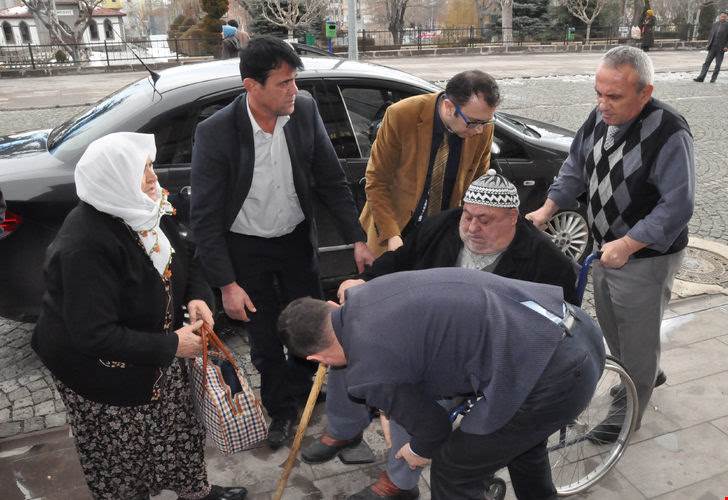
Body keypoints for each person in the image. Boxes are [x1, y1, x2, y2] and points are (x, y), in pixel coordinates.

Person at [31, 132, 247, 500]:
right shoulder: (83, 247)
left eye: (150, 165)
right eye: (141, 170)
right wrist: (172, 345)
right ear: (114, 180)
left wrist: (197, 297)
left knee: (178, 426)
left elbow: (186, 256)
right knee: (121, 453)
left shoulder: (147, 207)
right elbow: (94, 335)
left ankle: (194, 490)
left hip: (157, 347)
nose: (152, 176)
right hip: (101, 373)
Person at [190, 35, 374, 449]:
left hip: (295, 241)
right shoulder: (216, 132)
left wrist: (356, 239)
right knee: (264, 335)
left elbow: (330, 180)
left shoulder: (304, 111)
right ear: (251, 86)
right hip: (246, 249)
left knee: (309, 322)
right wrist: (226, 283)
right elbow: (204, 216)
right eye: (283, 83)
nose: (294, 90)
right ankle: (281, 410)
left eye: (295, 80)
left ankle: (309, 386)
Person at [279, 268, 606, 500]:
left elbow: (434, 430)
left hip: (555, 375)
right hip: (575, 327)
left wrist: (416, 451)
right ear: (331, 306)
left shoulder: (368, 371)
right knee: (521, 444)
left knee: (453, 470)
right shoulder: (365, 293)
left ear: (316, 359)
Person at [526, 45, 694, 441]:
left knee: (634, 334)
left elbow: (678, 205)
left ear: (645, 92)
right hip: (606, 247)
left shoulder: (669, 131)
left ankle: (628, 412)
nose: (603, 104)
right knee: (613, 325)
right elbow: (575, 167)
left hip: (646, 256)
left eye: (614, 96)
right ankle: (641, 372)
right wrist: (547, 209)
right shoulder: (600, 117)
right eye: (598, 93)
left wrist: (629, 244)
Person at [337, 170, 578, 306]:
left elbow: (559, 322)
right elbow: (400, 260)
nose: (472, 228)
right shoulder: (441, 226)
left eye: (484, 220)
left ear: (512, 217)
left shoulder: (546, 261)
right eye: (468, 216)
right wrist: (364, 280)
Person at [359, 70, 499, 258]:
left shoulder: (483, 126)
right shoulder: (401, 115)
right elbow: (376, 181)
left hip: (441, 237)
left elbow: (477, 185)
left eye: (486, 122)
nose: (480, 130)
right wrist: (392, 236)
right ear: (449, 107)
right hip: (395, 231)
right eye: (473, 123)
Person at [694, 11, 728, 83]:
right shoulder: (715, 24)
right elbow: (711, 34)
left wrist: (726, 46)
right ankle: (701, 78)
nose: (723, 18)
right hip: (712, 47)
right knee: (706, 63)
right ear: (719, 16)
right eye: (722, 16)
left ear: (726, 17)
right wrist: (708, 43)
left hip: (721, 48)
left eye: (724, 17)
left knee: (718, 65)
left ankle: (713, 79)